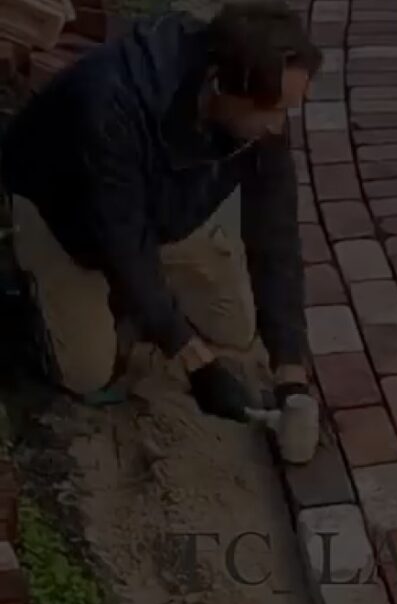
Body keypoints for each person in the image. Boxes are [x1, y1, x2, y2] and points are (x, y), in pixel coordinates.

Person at [0, 2, 321, 421]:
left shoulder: (255, 93)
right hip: (65, 217)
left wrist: (290, 371)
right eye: (273, 111)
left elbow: (276, 231)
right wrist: (195, 362)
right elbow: (123, 245)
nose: (279, 126)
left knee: (236, 328)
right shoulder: (110, 104)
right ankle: (30, 281)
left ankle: (151, 300)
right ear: (219, 85)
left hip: (163, 202)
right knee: (85, 371)